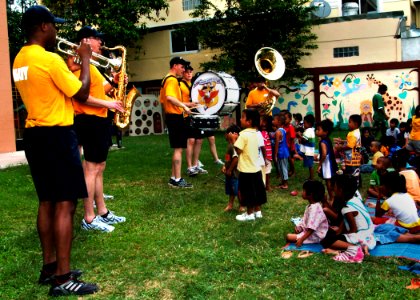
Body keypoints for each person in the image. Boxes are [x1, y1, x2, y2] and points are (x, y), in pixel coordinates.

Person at [12, 5, 98, 295]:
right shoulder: (49, 60)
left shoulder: (20, 58)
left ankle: (49, 266)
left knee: (47, 201)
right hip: (57, 135)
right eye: (55, 25)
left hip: (34, 135)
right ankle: (63, 278)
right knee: (65, 204)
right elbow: (82, 92)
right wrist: (85, 60)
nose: (58, 31)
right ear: (44, 27)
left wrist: (68, 64)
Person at [68, 26, 126, 232]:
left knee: (99, 168)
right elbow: (79, 94)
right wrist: (109, 104)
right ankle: (89, 217)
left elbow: (99, 90)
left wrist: (115, 82)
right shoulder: (75, 62)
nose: (101, 43)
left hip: (98, 119)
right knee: (91, 169)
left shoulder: (90, 64)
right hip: (89, 120)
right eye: (97, 39)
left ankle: (102, 212)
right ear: (85, 40)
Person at [160, 57, 196, 188]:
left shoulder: (167, 79)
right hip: (175, 117)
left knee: (177, 148)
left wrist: (188, 104)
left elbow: (167, 100)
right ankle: (177, 179)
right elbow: (169, 98)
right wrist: (184, 107)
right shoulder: (172, 80)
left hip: (172, 116)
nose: (184, 70)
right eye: (182, 67)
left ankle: (173, 177)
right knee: (178, 149)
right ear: (175, 66)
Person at [321, 175, 376, 263]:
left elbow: (353, 229)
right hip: (369, 231)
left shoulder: (346, 208)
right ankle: (347, 247)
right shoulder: (354, 199)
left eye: (335, 186)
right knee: (330, 233)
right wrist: (339, 232)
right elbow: (344, 220)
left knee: (326, 241)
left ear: (341, 190)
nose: (333, 189)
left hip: (361, 235)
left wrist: (340, 235)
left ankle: (356, 248)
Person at [234, 109, 267, 221]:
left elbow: (238, 151)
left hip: (246, 170)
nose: (240, 119)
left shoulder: (243, 135)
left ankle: (249, 214)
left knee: (247, 192)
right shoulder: (257, 134)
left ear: (249, 121)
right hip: (256, 168)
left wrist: (233, 140)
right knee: (257, 190)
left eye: (243, 117)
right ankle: (258, 211)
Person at [181, 64, 208, 176]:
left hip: (196, 113)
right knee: (191, 140)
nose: (189, 74)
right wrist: (190, 104)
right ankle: (189, 167)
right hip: (186, 114)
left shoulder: (194, 85)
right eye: (187, 72)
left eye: (191, 72)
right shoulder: (180, 84)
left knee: (199, 140)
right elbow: (177, 101)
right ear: (183, 73)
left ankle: (196, 164)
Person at [286, 180, 329, 246]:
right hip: (311, 232)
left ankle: (303, 238)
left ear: (310, 194)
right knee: (294, 233)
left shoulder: (314, 209)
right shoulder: (312, 206)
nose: (302, 192)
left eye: (303, 191)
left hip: (317, 236)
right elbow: (306, 220)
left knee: (289, 237)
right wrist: (300, 227)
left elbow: (312, 229)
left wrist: (301, 239)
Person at [335, 114, 362, 187]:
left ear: (355, 124)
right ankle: (357, 183)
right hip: (356, 157)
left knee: (351, 173)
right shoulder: (357, 132)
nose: (348, 124)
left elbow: (350, 146)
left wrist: (340, 147)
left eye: (350, 122)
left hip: (351, 159)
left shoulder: (352, 134)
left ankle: (351, 185)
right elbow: (352, 142)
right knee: (356, 171)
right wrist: (342, 141)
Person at [222, 124, 244, 212]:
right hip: (229, 172)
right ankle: (230, 204)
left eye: (226, 133)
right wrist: (224, 166)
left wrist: (230, 170)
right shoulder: (229, 145)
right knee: (231, 189)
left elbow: (235, 159)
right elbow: (228, 158)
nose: (225, 135)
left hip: (235, 173)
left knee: (237, 189)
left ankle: (242, 205)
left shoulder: (233, 146)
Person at [316, 119, 337, 203]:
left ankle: (331, 198)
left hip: (327, 164)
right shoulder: (327, 139)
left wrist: (320, 165)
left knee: (328, 181)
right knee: (330, 180)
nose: (317, 131)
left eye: (319, 130)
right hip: (331, 162)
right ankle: (332, 196)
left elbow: (324, 154)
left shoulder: (323, 142)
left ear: (326, 132)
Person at [297, 114, 316, 180]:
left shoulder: (308, 131)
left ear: (309, 123)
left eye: (304, 123)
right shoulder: (310, 130)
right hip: (308, 151)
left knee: (310, 165)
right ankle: (310, 177)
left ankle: (311, 178)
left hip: (308, 152)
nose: (304, 125)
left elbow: (304, 139)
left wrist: (299, 135)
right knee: (310, 165)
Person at [273, 114, 289, 189]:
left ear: (279, 122)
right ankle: (283, 182)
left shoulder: (278, 132)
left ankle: (285, 184)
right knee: (283, 167)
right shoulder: (283, 130)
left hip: (281, 152)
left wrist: (275, 155)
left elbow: (276, 144)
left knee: (283, 168)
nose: (273, 121)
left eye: (274, 120)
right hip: (285, 151)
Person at [260, 115, 273, 191]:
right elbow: (263, 147)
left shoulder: (265, 133)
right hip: (265, 157)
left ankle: (266, 185)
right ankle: (266, 186)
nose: (264, 124)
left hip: (267, 156)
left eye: (265, 122)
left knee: (267, 171)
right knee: (266, 172)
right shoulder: (262, 133)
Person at [283, 111, 297, 177]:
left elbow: (292, 138)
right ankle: (290, 170)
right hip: (285, 146)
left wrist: (291, 147)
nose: (284, 120)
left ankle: (293, 171)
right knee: (288, 159)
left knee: (290, 159)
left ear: (290, 119)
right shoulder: (283, 127)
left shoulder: (290, 127)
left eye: (285, 118)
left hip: (289, 147)